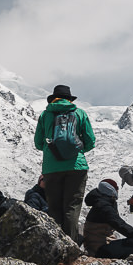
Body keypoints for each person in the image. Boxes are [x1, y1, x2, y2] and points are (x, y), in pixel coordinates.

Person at [34, 84, 96, 242]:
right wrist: (76, 151)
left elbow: (38, 143)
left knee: (54, 207)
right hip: (77, 166)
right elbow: (90, 141)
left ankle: (56, 246)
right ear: (69, 99)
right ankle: (71, 248)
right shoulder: (80, 113)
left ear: (53, 98)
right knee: (72, 207)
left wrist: (52, 152)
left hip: (51, 168)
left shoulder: (45, 115)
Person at [82, 179, 133, 258]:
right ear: (111, 190)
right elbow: (120, 225)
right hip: (98, 249)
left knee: (130, 242)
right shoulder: (104, 207)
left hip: (96, 246)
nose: (118, 190)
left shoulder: (101, 202)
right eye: (116, 188)